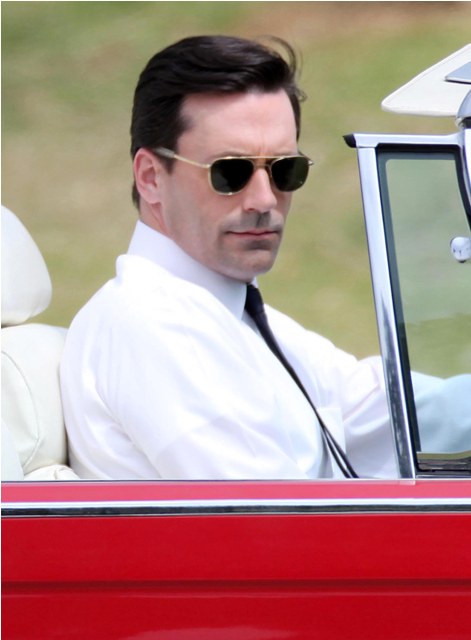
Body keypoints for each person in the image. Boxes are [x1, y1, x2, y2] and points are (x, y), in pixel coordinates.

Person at [59, 35, 409, 479]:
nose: (264, 199)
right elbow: (271, 514)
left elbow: (379, 406)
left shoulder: (233, 313)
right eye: (230, 171)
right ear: (150, 177)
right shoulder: (158, 324)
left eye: (285, 170)